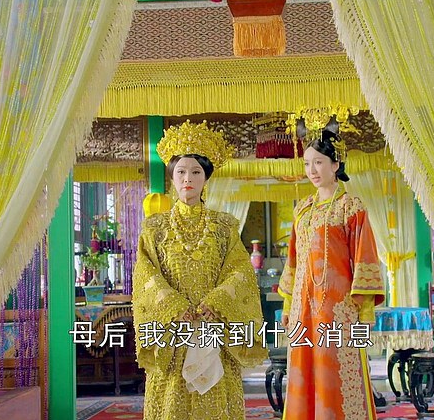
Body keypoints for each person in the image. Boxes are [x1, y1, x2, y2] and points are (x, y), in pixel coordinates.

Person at [132, 120, 267, 419]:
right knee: (172, 401)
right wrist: (173, 306)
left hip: (213, 325)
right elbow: (146, 275)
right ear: (172, 177)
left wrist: (217, 303)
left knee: (215, 400)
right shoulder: (154, 228)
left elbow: (240, 272)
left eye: (196, 172)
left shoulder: (224, 226)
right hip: (173, 329)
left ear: (206, 178)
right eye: (181, 172)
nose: (187, 179)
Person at [278, 130, 385, 419]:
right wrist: (288, 305)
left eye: (319, 162)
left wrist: (365, 312)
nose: (312, 170)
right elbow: (293, 261)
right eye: (307, 164)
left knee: (334, 373)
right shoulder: (302, 210)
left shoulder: (351, 207)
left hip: (338, 308)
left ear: (336, 164)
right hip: (303, 308)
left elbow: (365, 258)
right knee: (302, 371)